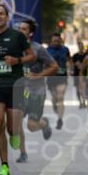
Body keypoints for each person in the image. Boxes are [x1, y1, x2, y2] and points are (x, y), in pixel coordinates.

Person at [0, 4, 35, 175]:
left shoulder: (17, 36)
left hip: (15, 85)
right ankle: (4, 166)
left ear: (7, 17)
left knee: (12, 128)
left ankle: (15, 134)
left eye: (1, 14)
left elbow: (31, 55)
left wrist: (16, 60)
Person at [18, 19, 57, 163]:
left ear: (30, 33)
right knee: (16, 121)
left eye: (24, 29)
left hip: (36, 91)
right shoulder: (14, 48)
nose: (20, 31)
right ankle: (23, 153)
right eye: (19, 28)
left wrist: (38, 75)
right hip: (20, 92)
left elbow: (54, 66)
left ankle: (43, 123)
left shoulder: (38, 49)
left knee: (32, 126)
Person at [45, 31, 70, 130]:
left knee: (60, 98)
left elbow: (69, 60)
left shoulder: (65, 49)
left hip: (62, 77)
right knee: (54, 99)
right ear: (51, 41)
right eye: (54, 41)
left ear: (60, 41)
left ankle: (60, 119)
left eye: (58, 41)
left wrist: (70, 68)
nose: (56, 43)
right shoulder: (47, 50)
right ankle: (55, 106)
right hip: (51, 78)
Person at [70, 41, 88, 109]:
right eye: (79, 46)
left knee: (83, 89)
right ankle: (80, 102)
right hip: (76, 74)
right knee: (78, 89)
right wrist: (73, 68)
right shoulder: (75, 56)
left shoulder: (86, 55)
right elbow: (71, 64)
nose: (81, 47)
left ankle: (84, 102)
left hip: (84, 74)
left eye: (82, 46)